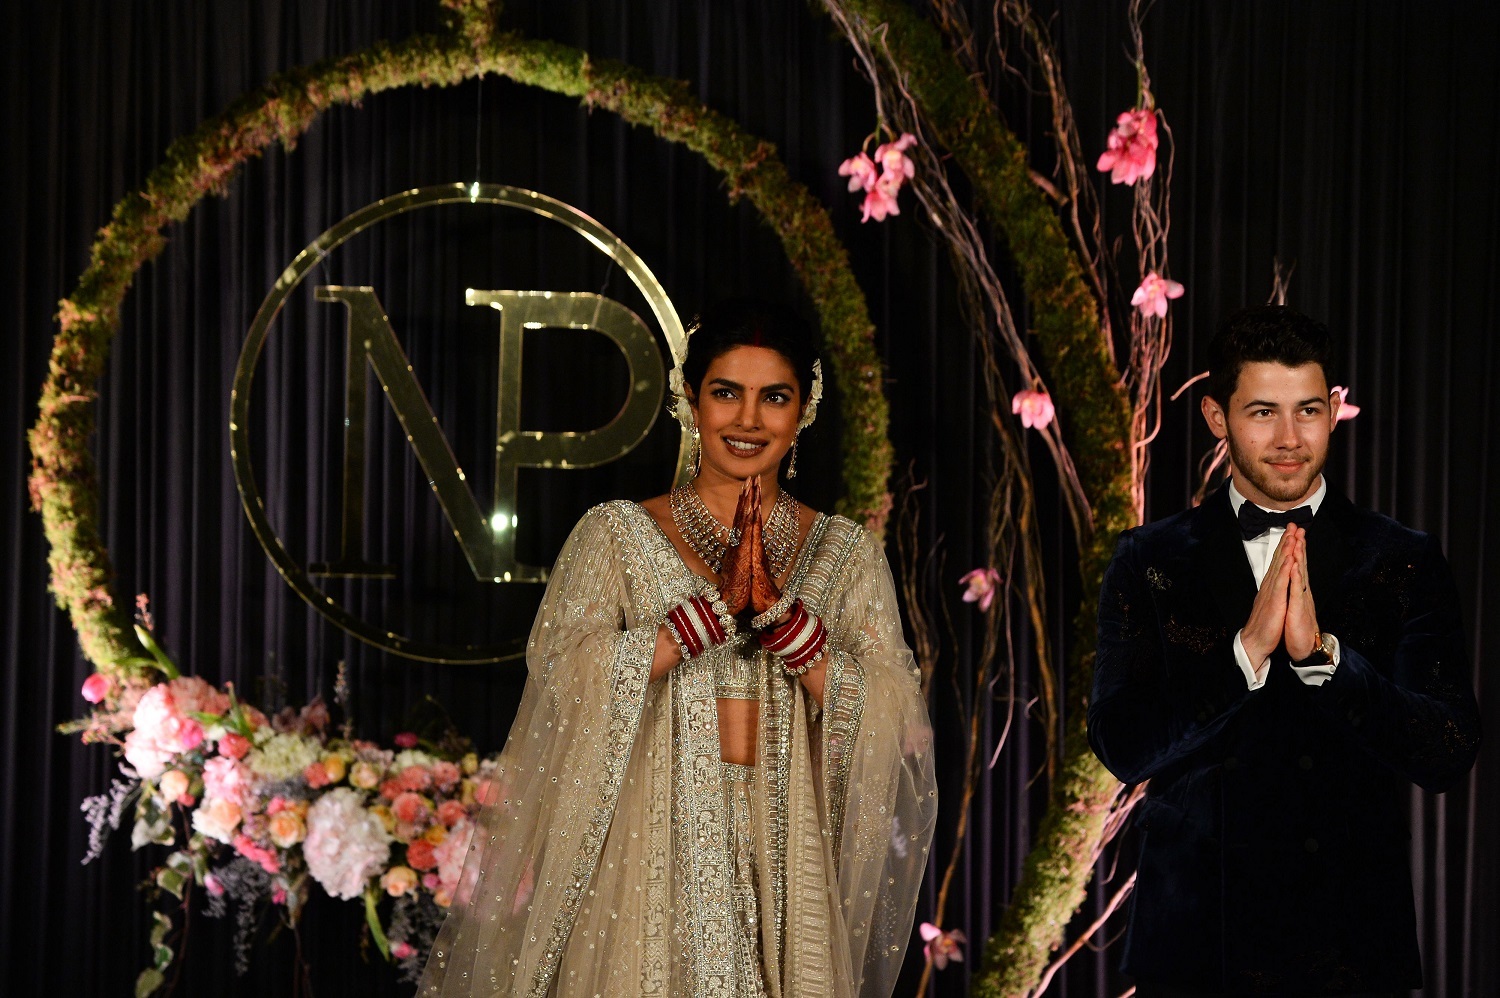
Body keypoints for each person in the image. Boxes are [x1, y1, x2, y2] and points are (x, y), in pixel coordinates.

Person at [418, 299, 936, 997]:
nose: (748, 420)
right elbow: (562, 675)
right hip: (650, 851)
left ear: (803, 410)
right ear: (690, 401)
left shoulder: (844, 553)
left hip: (787, 856)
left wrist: (792, 633)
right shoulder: (617, 536)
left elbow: (893, 710)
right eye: (726, 393)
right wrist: (695, 625)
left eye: (773, 398)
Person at [1089, 305, 1480, 997]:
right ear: (1217, 417)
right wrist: (1242, 656)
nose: (1290, 438)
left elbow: (1448, 750)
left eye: (1307, 410)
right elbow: (1123, 744)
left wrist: (1326, 661)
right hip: (1195, 949)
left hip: (1351, 944)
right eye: (1263, 412)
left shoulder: (1404, 559)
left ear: (1333, 409)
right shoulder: (1149, 559)